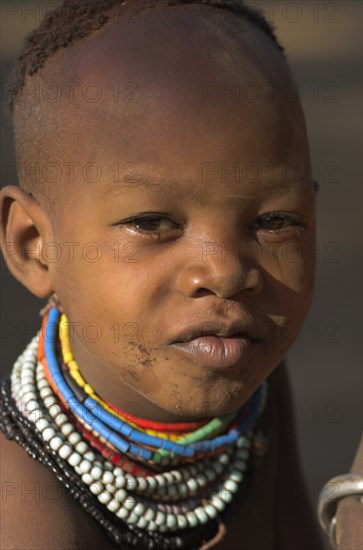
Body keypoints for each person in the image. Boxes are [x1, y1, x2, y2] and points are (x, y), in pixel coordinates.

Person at [0, 1, 325, 548]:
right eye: (152, 223)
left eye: (274, 221)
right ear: (35, 247)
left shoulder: (245, 377)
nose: (225, 273)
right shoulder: (24, 519)